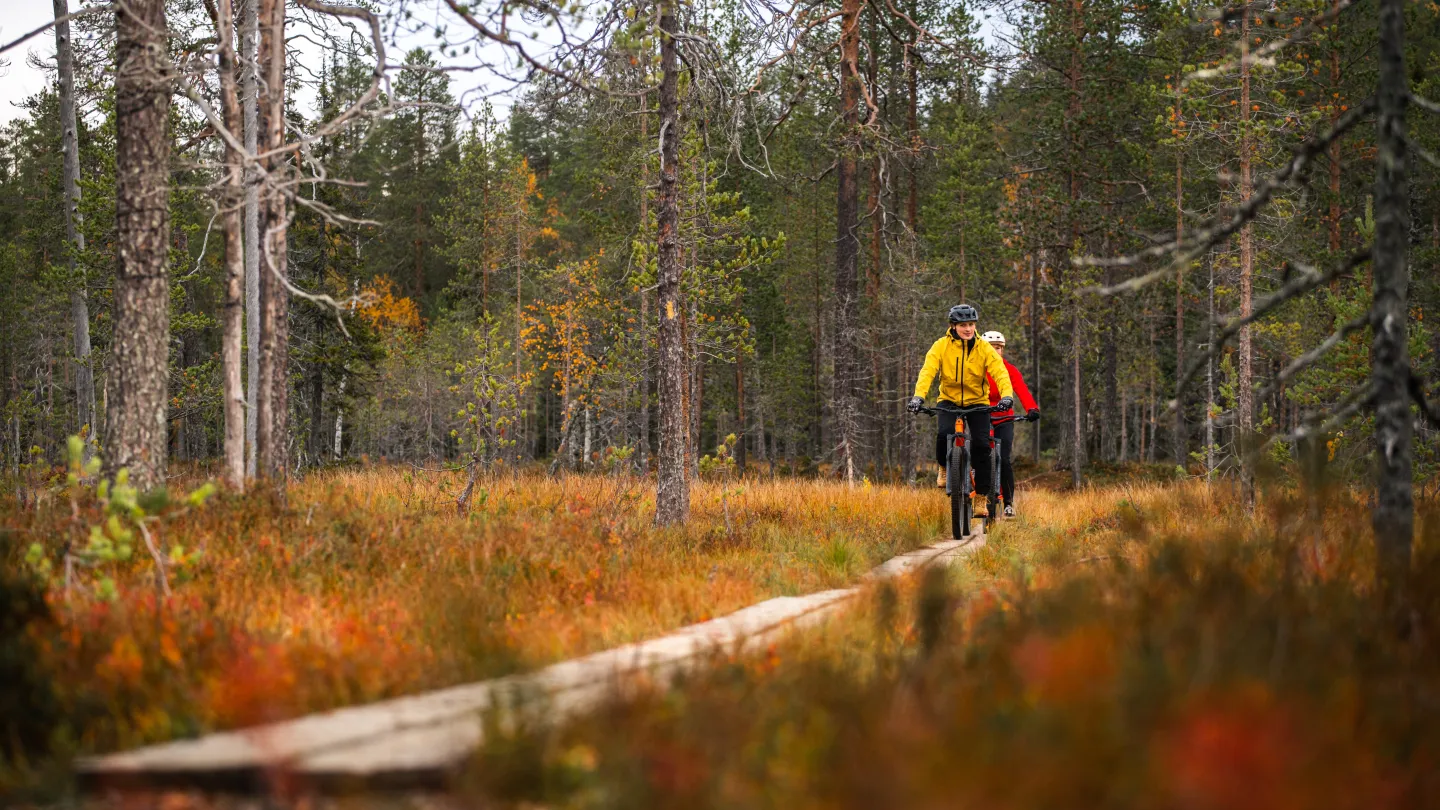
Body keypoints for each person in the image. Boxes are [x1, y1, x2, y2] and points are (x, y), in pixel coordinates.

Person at [906, 305, 1014, 512]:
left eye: (971, 324)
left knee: (982, 446)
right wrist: (918, 397)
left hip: (978, 402)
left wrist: (1007, 396)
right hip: (949, 399)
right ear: (953, 326)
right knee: (944, 434)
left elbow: (1000, 373)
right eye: (963, 325)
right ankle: (945, 467)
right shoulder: (941, 346)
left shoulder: (983, 348)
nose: (968, 329)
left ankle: (981, 496)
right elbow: (928, 371)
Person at [981, 330, 1040, 518]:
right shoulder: (977, 369)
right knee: (977, 454)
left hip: (1004, 418)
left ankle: (1008, 502)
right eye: (991, 347)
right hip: (981, 417)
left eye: (998, 347)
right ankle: (973, 491)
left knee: (1003, 459)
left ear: (1002, 349)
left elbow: (1021, 390)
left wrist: (1031, 408)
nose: (995, 351)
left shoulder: (1009, 369)